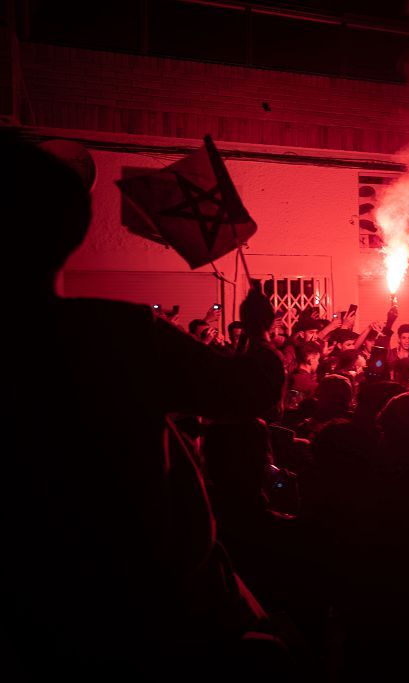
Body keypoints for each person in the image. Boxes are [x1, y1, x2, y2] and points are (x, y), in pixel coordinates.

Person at [11, 133, 287, 677]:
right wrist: (258, 332)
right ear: (66, 229)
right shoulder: (116, 335)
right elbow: (250, 393)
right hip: (138, 603)